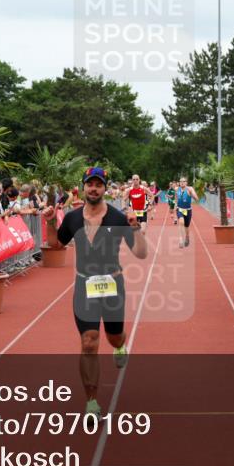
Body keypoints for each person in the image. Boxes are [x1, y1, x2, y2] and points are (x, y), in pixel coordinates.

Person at [42, 166, 147, 417]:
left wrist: (134, 228)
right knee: (89, 342)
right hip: (84, 286)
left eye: (99, 184)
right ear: (84, 186)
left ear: (104, 189)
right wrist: (48, 222)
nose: (94, 188)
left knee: (114, 337)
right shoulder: (73, 218)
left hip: (112, 285)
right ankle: (91, 402)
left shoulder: (118, 218)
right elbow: (56, 245)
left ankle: (120, 345)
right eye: (90, 184)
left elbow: (141, 253)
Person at [175, 176, 198, 247]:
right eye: (180, 181)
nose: (182, 183)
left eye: (183, 181)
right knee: (181, 222)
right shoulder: (176, 189)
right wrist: (176, 204)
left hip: (188, 210)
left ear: (186, 182)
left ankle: (187, 237)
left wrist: (192, 194)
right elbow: (176, 197)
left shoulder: (190, 189)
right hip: (180, 209)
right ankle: (181, 239)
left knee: (186, 226)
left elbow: (196, 198)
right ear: (179, 183)